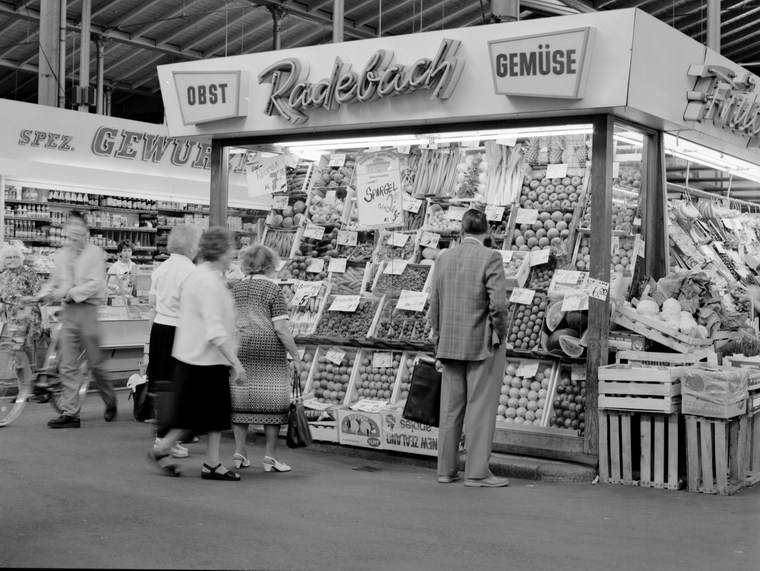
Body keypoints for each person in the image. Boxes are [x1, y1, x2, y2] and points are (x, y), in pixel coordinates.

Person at [148, 227, 246, 480]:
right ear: (220, 251)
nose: (233, 254)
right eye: (230, 249)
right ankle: (164, 450)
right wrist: (236, 362)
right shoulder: (208, 282)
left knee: (210, 413)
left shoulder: (203, 276)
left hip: (199, 356)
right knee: (193, 415)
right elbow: (214, 328)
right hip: (202, 360)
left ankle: (210, 462)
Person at [428, 208, 510, 488]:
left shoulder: (444, 257)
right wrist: (500, 333)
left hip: (449, 343)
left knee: (450, 409)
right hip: (480, 344)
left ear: (461, 231)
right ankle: (476, 473)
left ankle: (446, 471)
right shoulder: (491, 257)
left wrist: (438, 338)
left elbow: (435, 302)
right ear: (488, 231)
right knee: (479, 408)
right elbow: (498, 305)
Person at [38, 211, 117, 429]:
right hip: (69, 311)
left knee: (96, 364)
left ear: (85, 230)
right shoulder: (62, 254)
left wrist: (69, 291)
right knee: (67, 363)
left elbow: (96, 283)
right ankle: (70, 413)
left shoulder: (95, 253)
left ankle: (110, 400)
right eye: (69, 224)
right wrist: (42, 294)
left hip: (88, 310)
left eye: (77, 224)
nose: (73, 228)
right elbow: (55, 280)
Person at [230, 244, 304, 472]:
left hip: (241, 349)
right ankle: (270, 457)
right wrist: (296, 356)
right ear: (270, 264)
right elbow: (280, 328)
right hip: (269, 351)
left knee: (241, 401)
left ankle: (240, 453)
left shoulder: (236, 289)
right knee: (273, 403)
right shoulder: (273, 290)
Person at [147, 225, 202, 458]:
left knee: (163, 384)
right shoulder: (190, 271)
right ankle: (166, 439)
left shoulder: (161, 268)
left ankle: (165, 435)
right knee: (179, 384)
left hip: (159, 327)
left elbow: (151, 302)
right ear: (190, 247)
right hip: (180, 329)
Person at [0, 244, 45, 350]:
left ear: (20, 259)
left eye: (15, 257)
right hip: (12, 320)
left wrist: (45, 321)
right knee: (15, 350)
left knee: (29, 349)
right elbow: (4, 299)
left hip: (30, 318)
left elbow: (39, 295)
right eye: (8, 257)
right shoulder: (3, 276)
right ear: (4, 260)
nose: (12, 260)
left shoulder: (29, 272)